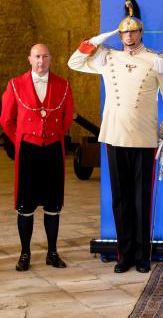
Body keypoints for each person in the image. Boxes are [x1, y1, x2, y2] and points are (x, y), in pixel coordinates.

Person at [68, 0, 163, 273]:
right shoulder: (108, 57)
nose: (129, 36)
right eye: (124, 32)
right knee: (120, 198)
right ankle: (125, 254)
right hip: (115, 135)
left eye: (133, 31)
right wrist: (100, 37)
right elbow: (75, 61)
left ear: (141, 32)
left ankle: (143, 256)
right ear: (119, 35)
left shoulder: (156, 59)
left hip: (143, 136)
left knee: (142, 199)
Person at [1, 44, 74, 271]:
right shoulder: (15, 85)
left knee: (53, 204)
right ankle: (25, 254)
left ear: (50, 58)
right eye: (36, 57)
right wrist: (21, 140)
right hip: (28, 151)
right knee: (26, 204)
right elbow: (6, 119)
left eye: (44, 56)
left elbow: (67, 116)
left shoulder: (63, 85)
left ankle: (52, 252)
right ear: (29, 59)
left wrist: (52, 136)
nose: (40, 61)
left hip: (53, 148)